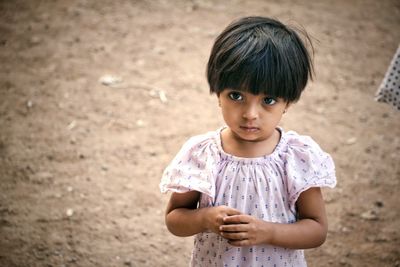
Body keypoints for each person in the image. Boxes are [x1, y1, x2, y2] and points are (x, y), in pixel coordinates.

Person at [159, 16, 337, 267]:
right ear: (217, 93)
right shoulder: (203, 154)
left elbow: (317, 230)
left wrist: (269, 232)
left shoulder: (296, 157)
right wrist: (205, 218)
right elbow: (175, 219)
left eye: (269, 100)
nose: (250, 113)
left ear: (288, 102)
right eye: (236, 95)